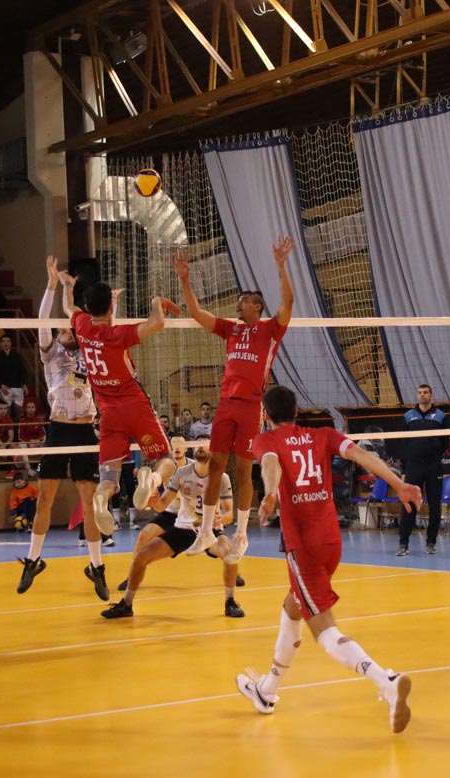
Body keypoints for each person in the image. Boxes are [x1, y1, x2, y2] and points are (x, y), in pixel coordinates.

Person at [236, 386, 419, 733]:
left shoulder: (265, 440)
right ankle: (267, 690)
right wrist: (400, 484)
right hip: (332, 541)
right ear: (297, 411)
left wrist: (271, 493)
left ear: (266, 415)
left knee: (324, 630)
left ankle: (387, 682)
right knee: (292, 607)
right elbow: (362, 455)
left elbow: (270, 465)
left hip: (303, 546)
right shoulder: (322, 434)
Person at [173, 238, 294, 557]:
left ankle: (241, 536)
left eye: (243, 303)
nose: (237, 307)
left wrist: (281, 267)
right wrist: (184, 279)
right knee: (215, 466)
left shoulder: (270, 329)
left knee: (242, 471)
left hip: (252, 406)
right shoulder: (231, 329)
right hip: (226, 405)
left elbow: (288, 302)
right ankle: (206, 533)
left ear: (257, 307)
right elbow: (197, 312)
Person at [61, 269, 181, 578]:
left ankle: (103, 496)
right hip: (134, 405)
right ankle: (152, 481)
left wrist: (68, 285)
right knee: (165, 459)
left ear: (88, 308)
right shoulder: (118, 334)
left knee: (109, 476)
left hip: (108, 413)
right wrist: (156, 302)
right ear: (111, 309)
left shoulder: (82, 326)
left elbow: (68, 307)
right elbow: (157, 323)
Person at [15, 257, 108, 598]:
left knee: (89, 504)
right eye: (63, 329)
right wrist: (53, 285)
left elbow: (103, 328)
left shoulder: (87, 352)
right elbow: (43, 320)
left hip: (84, 431)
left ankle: (97, 567)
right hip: (58, 429)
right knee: (45, 499)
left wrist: (105, 305)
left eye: (70, 329)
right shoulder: (50, 353)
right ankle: (33, 560)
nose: (67, 330)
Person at [102, 434, 247, 619]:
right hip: (184, 529)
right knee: (142, 556)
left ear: (213, 449)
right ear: (192, 448)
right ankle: (126, 604)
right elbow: (162, 505)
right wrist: (152, 500)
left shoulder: (222, 477)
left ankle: (230, 602)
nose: (200, 448)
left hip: (209, 530)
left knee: (231, 555)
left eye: (205, 445)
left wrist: (220, 520)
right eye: (197, 445)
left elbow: (229, 515)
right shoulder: (182, 473)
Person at [397, 384, 448, 555]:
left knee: (434, 504)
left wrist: (433, 452)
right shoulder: (408, 416)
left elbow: (445, 442)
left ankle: (431, 542)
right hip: (414, 465)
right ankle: (403, 543)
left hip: (434, 465)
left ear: (431, 395)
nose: (422, 395)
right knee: (409, 504)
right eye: (419, 393)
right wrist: (412, 456)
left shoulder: (440, 416)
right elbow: (403, 441)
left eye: (425, 392)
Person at [0, 334, 27, 419]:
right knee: (6, 410)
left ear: (11, 343)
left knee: (19, 409)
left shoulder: (17, 356)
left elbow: (23, 371)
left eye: (8, 341)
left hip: (17, 386)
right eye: (3, 341)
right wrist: (1, 385)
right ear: (1, 344)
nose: (6, 343)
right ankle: (7, 427)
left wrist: (24, 383)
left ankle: (19, 427)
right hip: (5, 387)